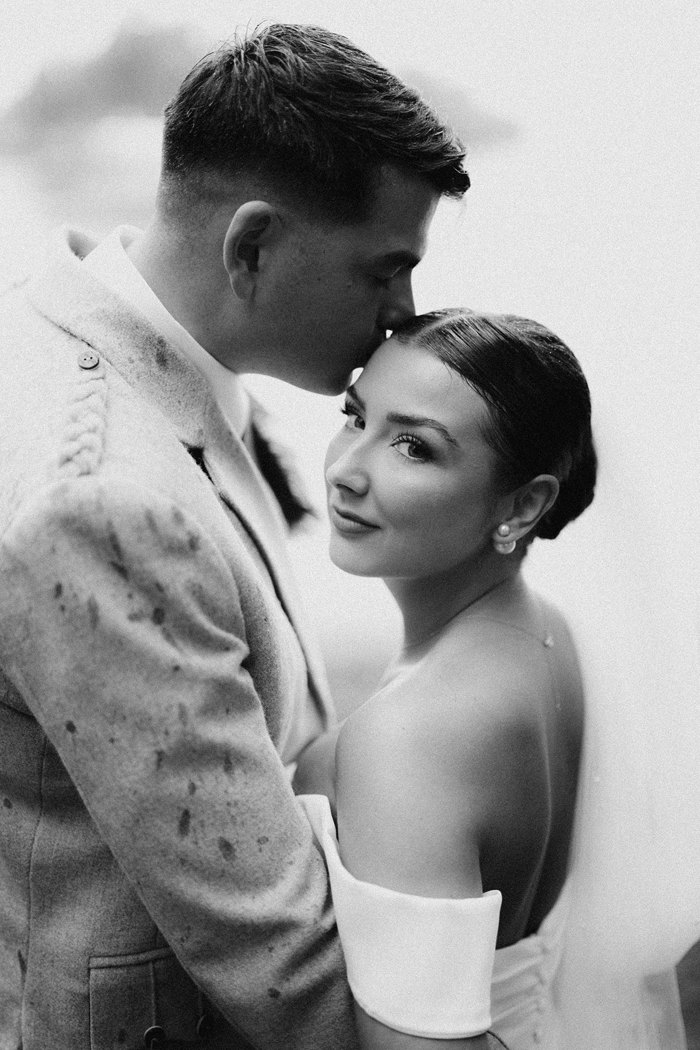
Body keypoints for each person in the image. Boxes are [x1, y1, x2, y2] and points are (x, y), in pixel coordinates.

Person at [0, 24, 471, 1050]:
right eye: (383, 270)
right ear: (252, 245)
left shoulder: (91, 337)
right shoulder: (104, 501)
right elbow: (271, 956)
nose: (404, 313)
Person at [294, 307, 693, 1049]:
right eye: (356, 417)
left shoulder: (418, 733)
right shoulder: (548, 639)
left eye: (413, 446)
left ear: (525, 504)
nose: (347, 469)